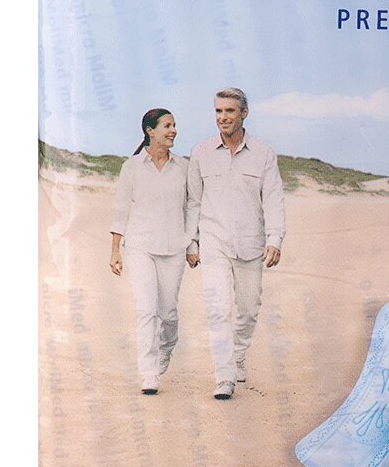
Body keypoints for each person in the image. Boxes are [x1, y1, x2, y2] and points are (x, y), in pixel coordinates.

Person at [187, 88, 286, 400]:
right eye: (218, 111)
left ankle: (239, 354)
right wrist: (192, 242)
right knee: (217, 309)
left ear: (244, 113)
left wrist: (275, 239)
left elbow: (273, 199)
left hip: (250, 243)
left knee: (248, 309)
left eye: (229, 111)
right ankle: (224, 376)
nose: (223, 117)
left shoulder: (263, 153)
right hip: (213, 242)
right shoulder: (201, 152)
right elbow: (193, 202)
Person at [109, 108, 196, 395]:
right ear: (150, 131)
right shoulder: (132, 167)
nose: (173, 131)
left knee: (167, 312)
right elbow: (121, 210)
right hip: (140, 247)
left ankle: (167, 346)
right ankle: (148, 373)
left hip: (174, 248)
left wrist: (192, 245)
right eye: (167, 126)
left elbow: (191, 209)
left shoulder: (183, 167)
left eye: (174, 125)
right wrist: (115, 250)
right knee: (146, 309)